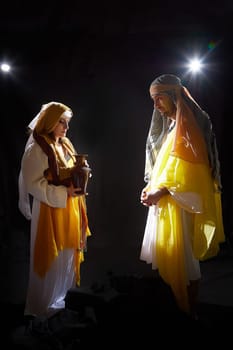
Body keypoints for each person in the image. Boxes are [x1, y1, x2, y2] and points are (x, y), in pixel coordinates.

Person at [140, 74, 225, 318]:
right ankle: (182, 312)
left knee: (185, 263)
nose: (155, 105)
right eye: (153, 100)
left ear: (174, 97)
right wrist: (151, 187)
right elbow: (165, 167)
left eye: (159, 99)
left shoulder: (188, 125)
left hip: (179, 202)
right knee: (174, 259)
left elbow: (193, 172)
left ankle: (189, 314)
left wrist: (161, 190)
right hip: (167, 203)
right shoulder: (171, 127)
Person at [18, 101, 91, 319]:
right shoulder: (36, 148)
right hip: (50, 209)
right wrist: (63, 193)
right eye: (61, 122)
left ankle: (57, 303)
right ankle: (40, 309)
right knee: (50, 259)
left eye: (67, 123)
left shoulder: (65, 144)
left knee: (66, 256)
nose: (66, 128)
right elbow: (33, 184)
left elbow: (72, 170)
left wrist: (83, 175)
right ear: (49, 121)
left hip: (70, 208)